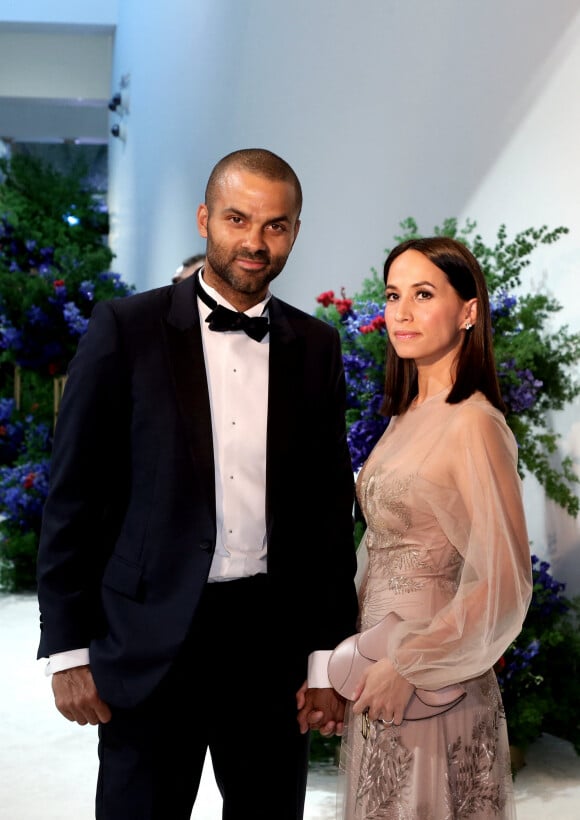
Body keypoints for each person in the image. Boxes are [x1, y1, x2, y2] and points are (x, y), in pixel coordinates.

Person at [36, 147, 359, 820]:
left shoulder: (315, 347)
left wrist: (329, 659)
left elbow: (329, 515)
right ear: (205, 218)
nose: (255, 241)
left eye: (276, 225)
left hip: (270, 645)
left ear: (294, 231)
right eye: (238, 219)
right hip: (151, 635)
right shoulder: (126, 329)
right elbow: (73, 497)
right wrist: (67, 649)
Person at [334, 237, 533, 819]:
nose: (402, 312)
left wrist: (411, 664)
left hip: (432, 676)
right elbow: (379, 548)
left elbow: (503, 581)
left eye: (424, 294)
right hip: (378, 668)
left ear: (468, 311)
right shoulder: (406, 416)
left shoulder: (474, 424)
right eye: (394, 295)